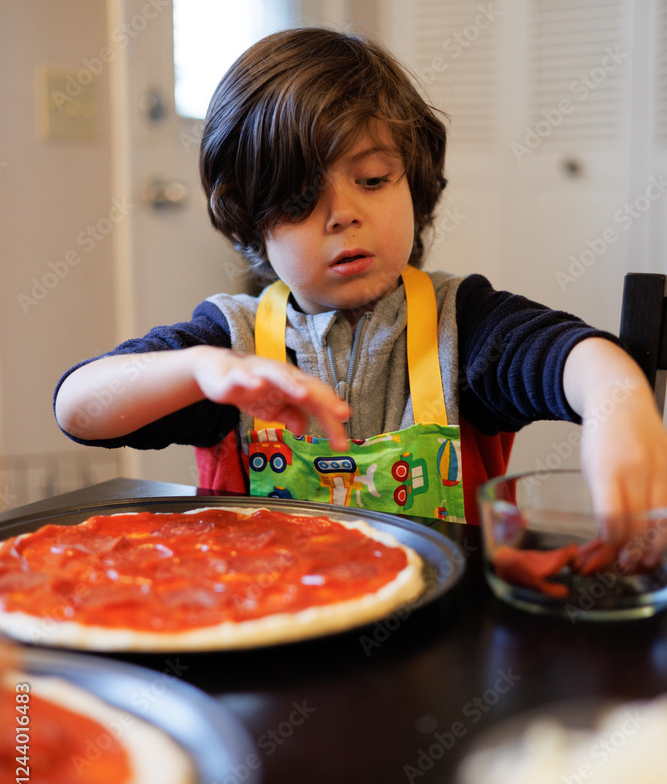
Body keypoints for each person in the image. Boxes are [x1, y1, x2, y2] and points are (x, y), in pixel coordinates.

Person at [54, 27, 667, 525]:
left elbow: (568, 355)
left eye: (372, 180)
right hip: (267, 621)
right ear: (252, 223)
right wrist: (197, 371)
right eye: (299, 201)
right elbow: (79, 408)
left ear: (414, 183)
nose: (343, 214)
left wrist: (618, 405)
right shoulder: (231, 342)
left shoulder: (465, 324)